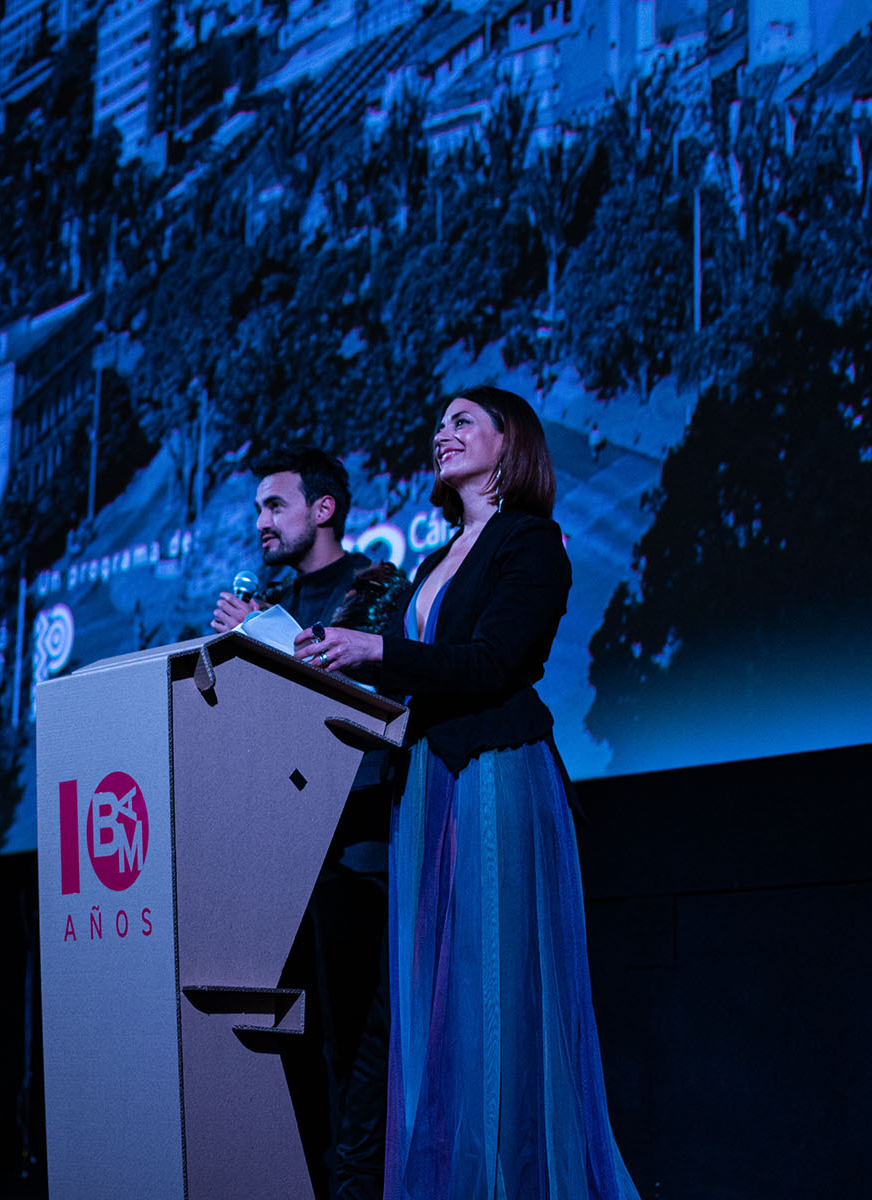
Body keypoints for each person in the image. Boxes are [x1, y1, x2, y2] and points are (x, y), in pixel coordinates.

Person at [295, 388, 639, 1200]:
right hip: (424, 784)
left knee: (489, 992)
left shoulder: (533, 542)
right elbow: (410, 682)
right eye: (439, 423)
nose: (442, 434)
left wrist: (374, 650)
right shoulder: (434, 559)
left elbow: (490, 665)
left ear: (508, 442)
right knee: (431, 1001)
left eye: (462, 422)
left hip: (492, 773)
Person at [213, 447, 404, 1200]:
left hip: (354, 839)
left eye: (275, 506)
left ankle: (359, 1186)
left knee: (354, 1035)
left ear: (323, 510)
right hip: (280, 840)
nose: (261, 522)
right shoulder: (273, 601)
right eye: (257, 508)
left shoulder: (377, 586)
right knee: (290, 1030)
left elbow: (345, 685)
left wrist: (261, 635)